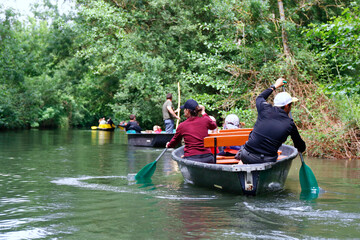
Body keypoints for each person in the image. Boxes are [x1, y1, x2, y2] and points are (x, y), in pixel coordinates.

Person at [236, 78, 306, 164]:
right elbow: (301, 146)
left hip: (247, 156)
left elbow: (260, 97)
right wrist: (301, 148)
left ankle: (241, 169)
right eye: (291, 104)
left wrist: (275, 86)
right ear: (287, 105)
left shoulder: (264, 109)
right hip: (267, 161)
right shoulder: (290, 124)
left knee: (244, 153)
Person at [166, 99, 217, 163]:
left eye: (184, 109)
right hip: (208, 158)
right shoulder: (205, 120)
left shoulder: (182, 125)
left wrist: (168, 145)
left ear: (188, 111)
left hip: (191, 158)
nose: (184, 111)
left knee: (183, 156)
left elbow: (175, 141)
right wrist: (203, 113)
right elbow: (214, 126)